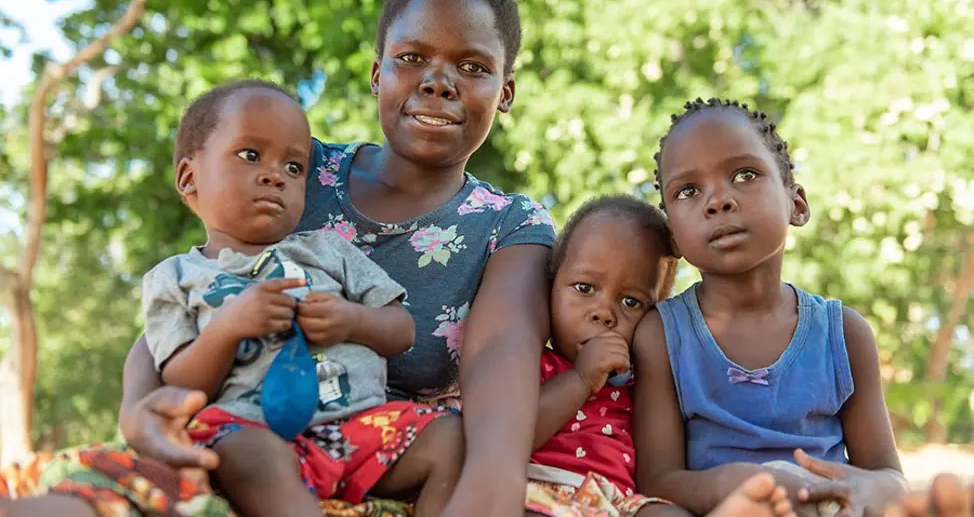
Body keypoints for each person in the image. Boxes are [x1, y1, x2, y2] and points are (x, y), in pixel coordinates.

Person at [0, 0, 557, 517]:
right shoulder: (293, 167)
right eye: (411, 59)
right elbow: (195, 293)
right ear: (376, 74)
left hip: (385, 454)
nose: (438, 82)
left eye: (473, 67)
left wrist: (491, 485)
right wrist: (137, 409)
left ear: (505, 92)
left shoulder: (509, 225)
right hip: (239, 437)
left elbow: (500, 366)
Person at [140, 79, 463, 517]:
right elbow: (180, 383)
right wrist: (228, 329)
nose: (275, 175)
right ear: (189, 177)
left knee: (450, 439)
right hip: (253, 428)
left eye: (293, 167)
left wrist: (352, 321)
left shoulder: (329, 250)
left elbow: (401, 329)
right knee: (243, 452)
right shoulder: (175, 278)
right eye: (250, 155)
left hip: (360, 428)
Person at [633, 98, 909, 517]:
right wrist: (743, 484)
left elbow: (889, 477)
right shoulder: (662, 335)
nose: (718, 200)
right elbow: (658, 479)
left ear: (796, 203)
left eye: (744, 174)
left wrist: (866, 490)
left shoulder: (843, 336)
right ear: (673, 235)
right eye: (689, 190)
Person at [523, 195, 795, 517]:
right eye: (584, 288)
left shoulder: (645, 380)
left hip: (620, 503)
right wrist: (580, 379)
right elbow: (508, 437)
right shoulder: (533, 362)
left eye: (631, 302)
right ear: (551, 285)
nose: (604, 313)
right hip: (539, 488)